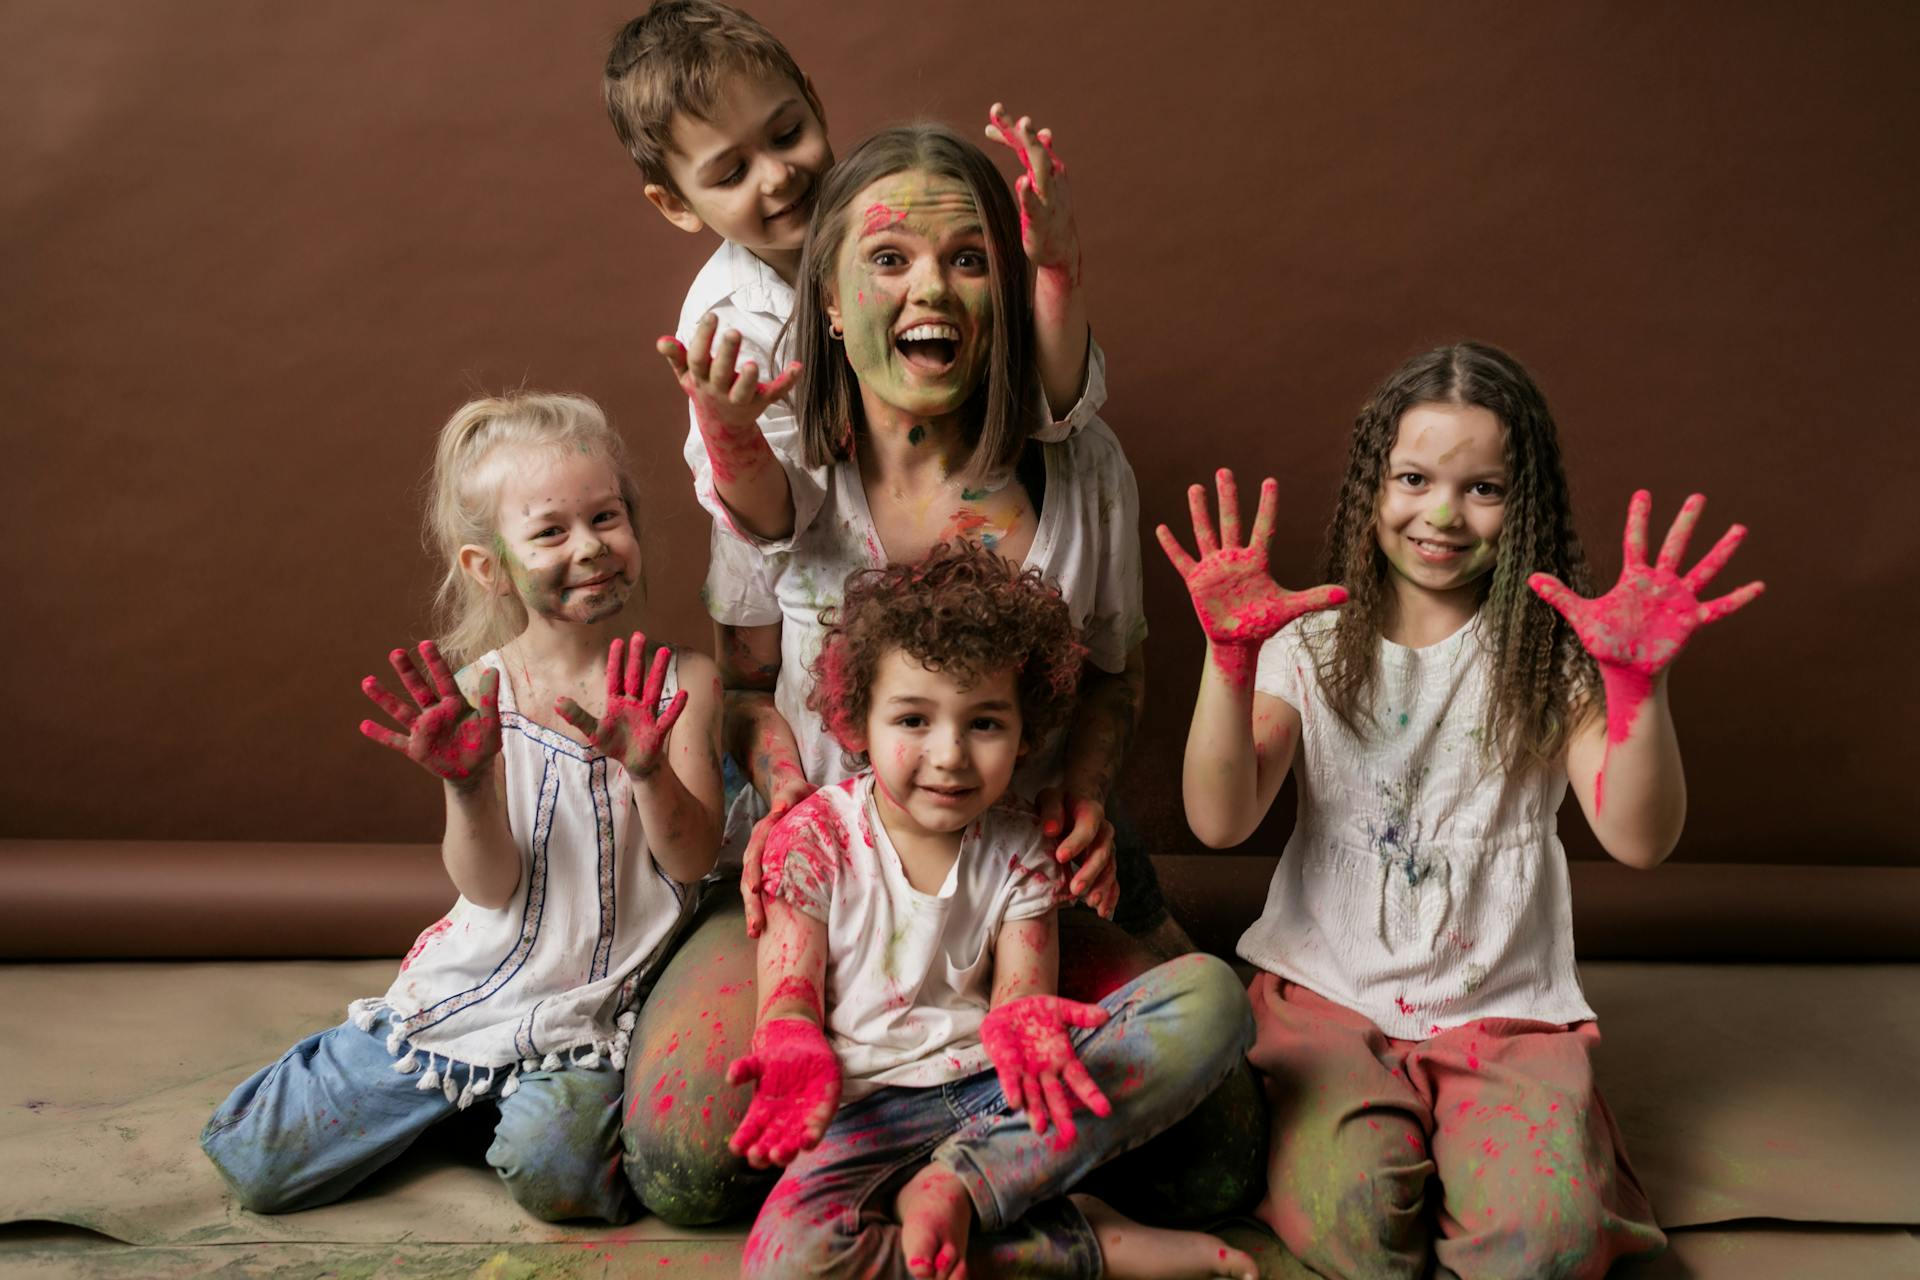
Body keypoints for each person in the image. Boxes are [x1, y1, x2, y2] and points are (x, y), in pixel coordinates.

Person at [621, 122, 1262, 1228]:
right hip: (827, 885)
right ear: (828, 298)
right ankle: (971, 1138)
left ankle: (964, 1170)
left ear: (1008, 291)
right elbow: (739, 687)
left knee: (1215, 1160)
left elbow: (1116, 674)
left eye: (969, 259)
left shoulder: (1081, 471)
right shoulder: (778, 477)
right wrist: (782, 804)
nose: (934, 288)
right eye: (890, 260)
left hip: (1025, 885)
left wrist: (1090, 793)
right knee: (680, 1159)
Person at [1160, 341, 1763, 1279]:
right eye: (1413, 478)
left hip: (1503, 1012)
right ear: (1373, 486)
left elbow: (1640, 842)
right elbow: (1221, 818)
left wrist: (1637, 685)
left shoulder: (1552, 656)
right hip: (1326, 1001)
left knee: (1544, 1243)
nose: (1441, 513)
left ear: (1525, 508)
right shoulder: (1310, 645)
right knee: (1357, 1224)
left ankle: (1549, 1148)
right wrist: (1229, 660)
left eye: (1482, 488)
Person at [199, 392, 725, 1224]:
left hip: (591, 1007)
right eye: (551, 532)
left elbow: (693, 862)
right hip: (477, 986)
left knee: (558, 1176)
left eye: (606, 517)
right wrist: (466, 785)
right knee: (254, 1160)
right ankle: (447, 1094)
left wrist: (649, 768)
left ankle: (496, 1114)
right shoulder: (484, 690)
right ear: (490, 566)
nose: (589, 547)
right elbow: (488, 886)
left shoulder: (682, 682)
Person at [733, 542, 1258, 1279]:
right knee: (786, 1265)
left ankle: (959, 1186)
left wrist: (1024, 1016)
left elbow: (1021, 997)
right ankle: (1081, 1242)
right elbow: (787, 993)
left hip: (1001, 1099)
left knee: (1214, 997)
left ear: (1026, 732)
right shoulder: (814, 837)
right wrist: (789, 1036)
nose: (949, 754)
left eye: (984, 724)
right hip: (863, 1112)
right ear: (856, 722)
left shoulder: (1019, 848)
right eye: (913, 720)